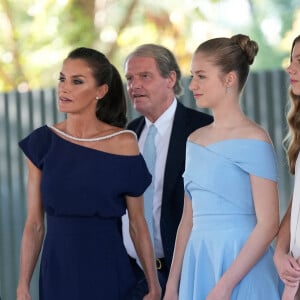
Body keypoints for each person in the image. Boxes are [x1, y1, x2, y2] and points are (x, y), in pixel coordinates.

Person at [16, 47, 161, 300]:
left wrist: (154, 285)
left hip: (109, 272)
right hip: (58, 274)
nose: (64, 88)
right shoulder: (43, 143)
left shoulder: (124, 142)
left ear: (100, 91)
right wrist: (22, 286)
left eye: (77, 81)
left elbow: (138, 223)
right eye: (62, 79)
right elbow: (34, 224)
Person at [164, 34, 283, 300]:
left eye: (201, 76)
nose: (192, 84)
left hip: (243, 267)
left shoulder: (256, 138)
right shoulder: (193, 140)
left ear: (229, 79)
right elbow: (187, 221)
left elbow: (268, 224)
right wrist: (173, 285)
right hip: (199, 261)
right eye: (192, 75)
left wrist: (226, 285)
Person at [121, 43, 213, 298]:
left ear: (171, 78)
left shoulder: (203, 130)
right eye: (129, 78)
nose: (134, 85)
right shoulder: (128, 134)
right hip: (133, 276)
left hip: (187, 272)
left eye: (144, 76)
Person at [274, 35, 300, 300]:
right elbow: (296, 204)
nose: (290, 68)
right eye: (291, 60)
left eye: (299, 60)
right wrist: (280, 253)